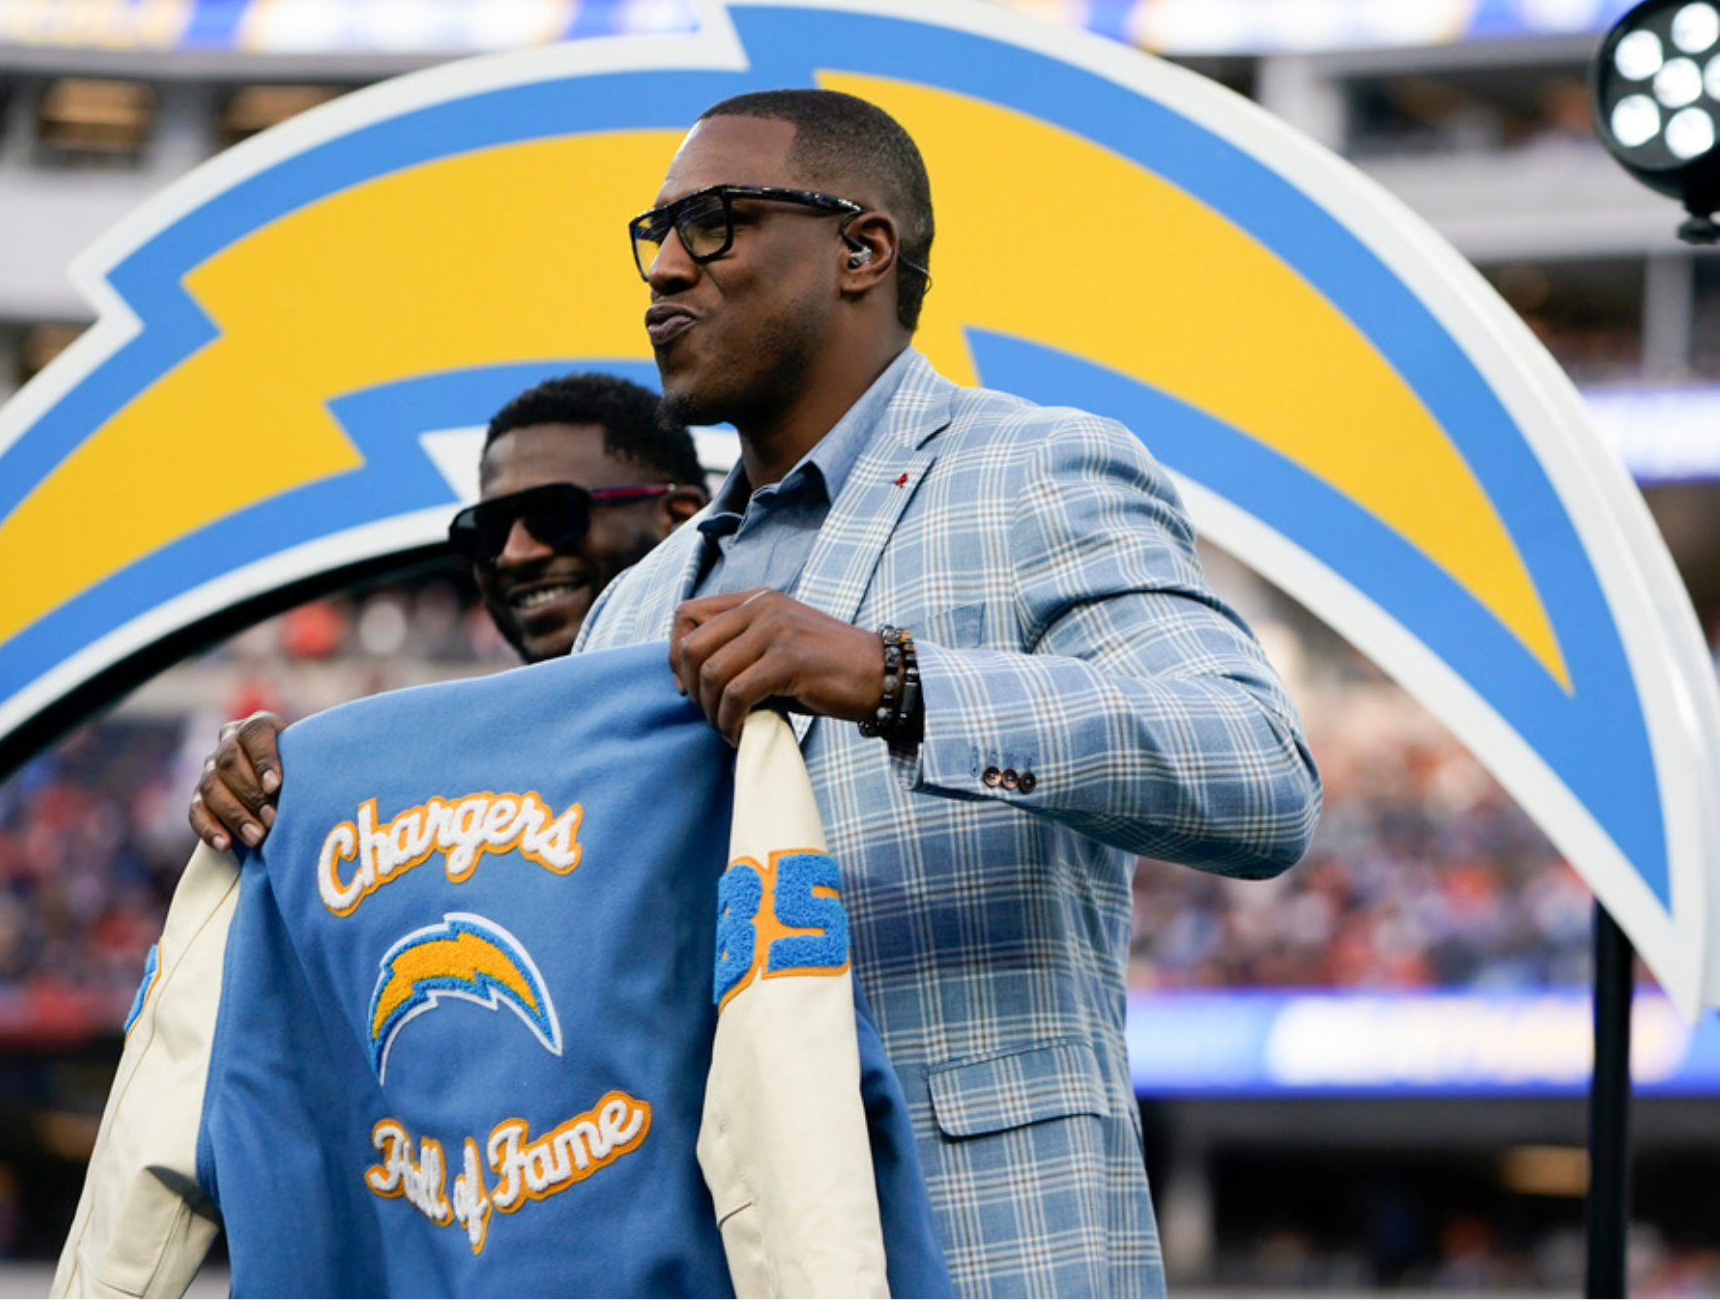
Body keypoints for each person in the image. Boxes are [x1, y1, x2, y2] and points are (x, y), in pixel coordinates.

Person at [193, 89, 1320, 1296]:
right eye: (657, 234)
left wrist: (890, 678)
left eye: (716, 222)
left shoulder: (1034, 471)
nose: (666, 268)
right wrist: (304, 807)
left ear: (862, 249)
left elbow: (1258, 773)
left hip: (984, 1244)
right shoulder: (639, 600)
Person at [189, 371, 706, 851]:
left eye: (554, 514)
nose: (513, 553)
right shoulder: (480, 777)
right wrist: (279, 776)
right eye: (488, 529)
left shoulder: (738, 714)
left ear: (679, 517)